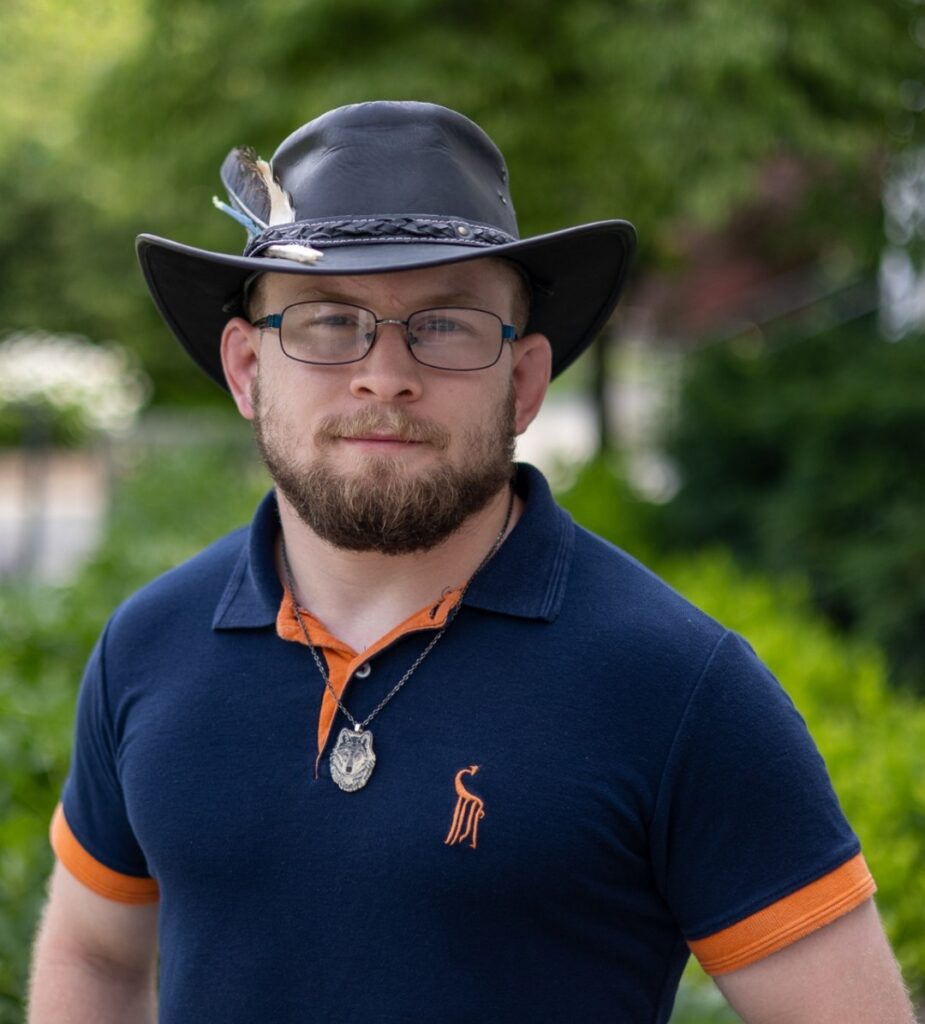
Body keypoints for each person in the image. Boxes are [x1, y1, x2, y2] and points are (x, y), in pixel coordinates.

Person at [28, 101, 916, 1024]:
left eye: (444, 324)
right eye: (328, 322)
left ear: (523, 380)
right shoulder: (147, 647)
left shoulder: (678, 686)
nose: (384, 374)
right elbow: (93, 955)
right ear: (248, 370)